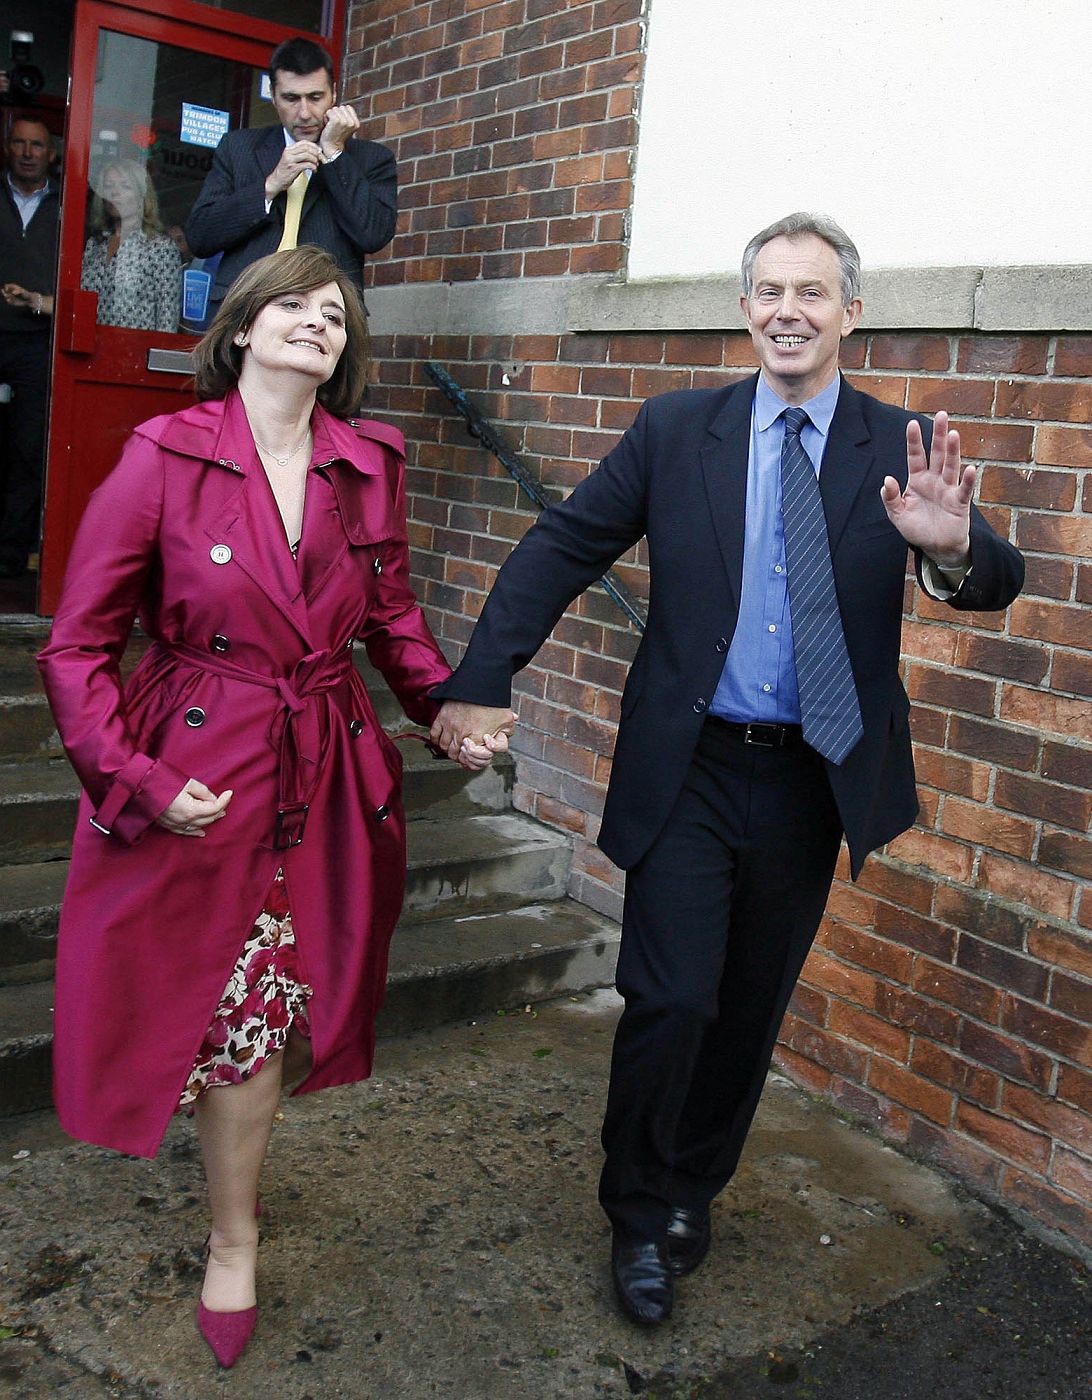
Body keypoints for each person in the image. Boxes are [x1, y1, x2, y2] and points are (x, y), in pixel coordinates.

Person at [429, 213, 1025, 1326]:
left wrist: (949, 550)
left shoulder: (895, 442)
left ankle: (695, 1183)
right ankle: (638, 1207)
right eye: (768, 290)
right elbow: (563, 542)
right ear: (745, 307)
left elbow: (996, 572)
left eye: (812, 290)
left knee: (747, 1006)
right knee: (670, 996)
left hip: (813, 774)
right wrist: (483, 674)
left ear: (854, 309)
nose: (788, 309)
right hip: (693, 764)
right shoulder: (676, 430)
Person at [38, 245, 506, 1369]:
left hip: (325, 766)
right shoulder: (163, 454)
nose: (317, 321)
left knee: (272, 1001)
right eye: (292, 305)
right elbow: (77, 644)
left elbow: (389, 616)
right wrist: (139, 780)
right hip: (201, 762)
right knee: (216, 1001)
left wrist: (445, 708)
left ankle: (234, 1217)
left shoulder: (370, 462)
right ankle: (229, 1222)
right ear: (241, 327)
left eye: (335, 311)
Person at [185, 36, 397, 307]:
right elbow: (200, 237)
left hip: (323, 318)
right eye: (291, 98)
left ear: (333, 93)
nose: (305, 113)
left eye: (315, 97)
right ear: (273, 96)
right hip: (244, 311)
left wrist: (334, 153)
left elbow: (373, 235)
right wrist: (270, 186)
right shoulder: (238, 148)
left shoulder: (371, 159)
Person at [0, 115, 58, 577]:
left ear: (50, 153)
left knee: (27, 449)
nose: (26, 152)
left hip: (40, 341)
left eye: (35, 145)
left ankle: (10, 559)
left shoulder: (72, 202)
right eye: (18, 142)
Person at [80, 158, 181, 332]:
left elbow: (167, 319)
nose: (115, 193)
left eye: (125, 186)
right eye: (109, 186)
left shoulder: (161, 248)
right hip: (89, 348)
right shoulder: (95, 244)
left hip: (133, 351)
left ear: (142, 195)